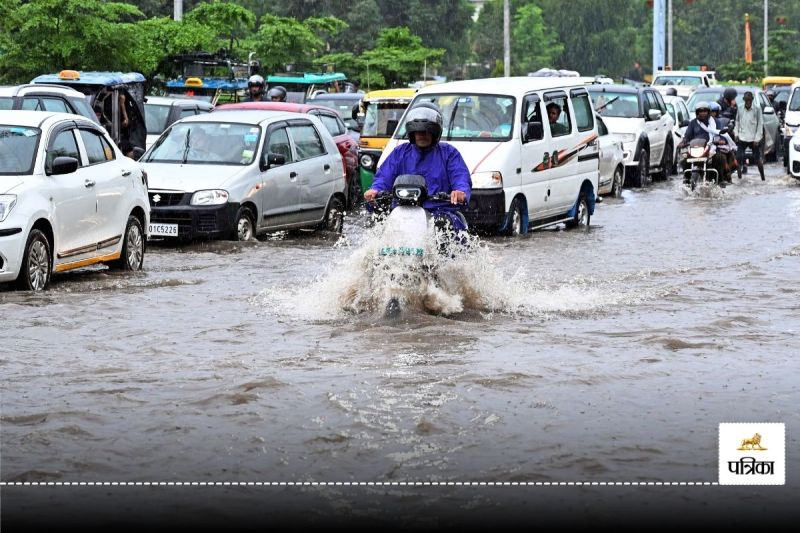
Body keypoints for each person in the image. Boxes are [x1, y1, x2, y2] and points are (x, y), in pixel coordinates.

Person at [363, 105, 471, 232]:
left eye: (426, 132)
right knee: (380, 224)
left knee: (444, 224)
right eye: (418, 132)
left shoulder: (449, 153)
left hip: (440, 211)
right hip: (403, 210)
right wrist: (375, 190)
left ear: (434, 133)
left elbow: (460, 177)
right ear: (412, 133)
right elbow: (384, 176)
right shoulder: (400, 152)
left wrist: (460, 191)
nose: (421, 135)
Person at [678, 101, 728, 187]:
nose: (703, 113)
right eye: (700, 111)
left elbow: (721, 134)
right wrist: (683, 142)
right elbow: (687, 136)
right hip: (696, 149)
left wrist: (721, 140)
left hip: (711, 149)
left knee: (720, 158)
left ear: (708, 112)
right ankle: (686, 179)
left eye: (705, 111)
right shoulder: (693, 123)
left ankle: (720, 180)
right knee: (684, 160)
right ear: (697, 113)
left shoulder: (716, 122)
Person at [733, 91, 765, 181]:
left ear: (752, 100)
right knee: (738, 158)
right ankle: (739, 178)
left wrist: (757, 139)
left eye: (749, 100)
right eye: (746, 100)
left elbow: (760, 124)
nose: (748, 102)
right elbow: (737, 122)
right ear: (744, 100)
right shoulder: (740, 108)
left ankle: (763, 177)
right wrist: (736, 134)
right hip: (742, 137)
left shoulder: (757, 109)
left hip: (753, 138)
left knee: (758, 159)